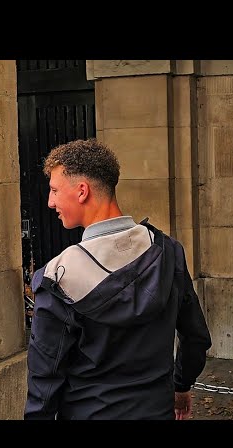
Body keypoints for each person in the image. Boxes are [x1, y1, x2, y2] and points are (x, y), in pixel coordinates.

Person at [23, 139, 212, 420]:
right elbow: (195, 337)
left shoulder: (58, 278)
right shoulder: (168, 252)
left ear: (82, 191)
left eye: (54, 190)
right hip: (156, 411)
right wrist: (181, 385)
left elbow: (45, 382)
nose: (50, 202)